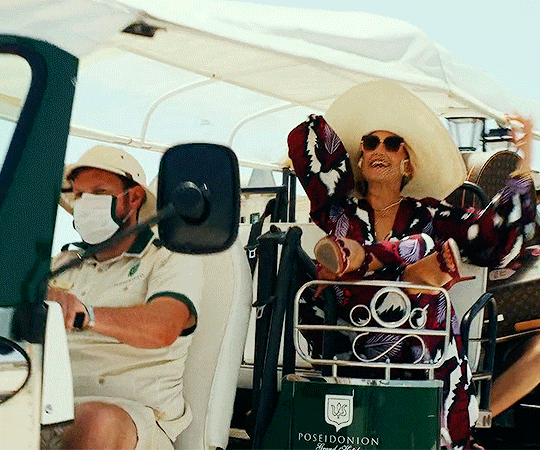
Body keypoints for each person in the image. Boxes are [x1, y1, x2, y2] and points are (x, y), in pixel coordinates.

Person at [288, 80, 535, 450]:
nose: (379, 149)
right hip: (349, 333)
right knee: (426, 254)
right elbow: (305, 142)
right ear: (359, 159)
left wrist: (524, 160)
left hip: (418, 337)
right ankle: (412, 272)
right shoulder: (340, 210)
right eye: (370, 143)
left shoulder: (429, 213)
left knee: (428, 252)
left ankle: (381, 264)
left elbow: (494, 240)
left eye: (392, 143)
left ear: (407, 162)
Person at [44, 145, 203, 450]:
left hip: (133, 416)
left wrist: (85, 314)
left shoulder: (171, 257)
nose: (85, 203)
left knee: (94, 422)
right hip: (48, 406)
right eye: (79, 195)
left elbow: (163, 327)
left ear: (134, 198)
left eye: (99, 192)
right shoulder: (61, 264)